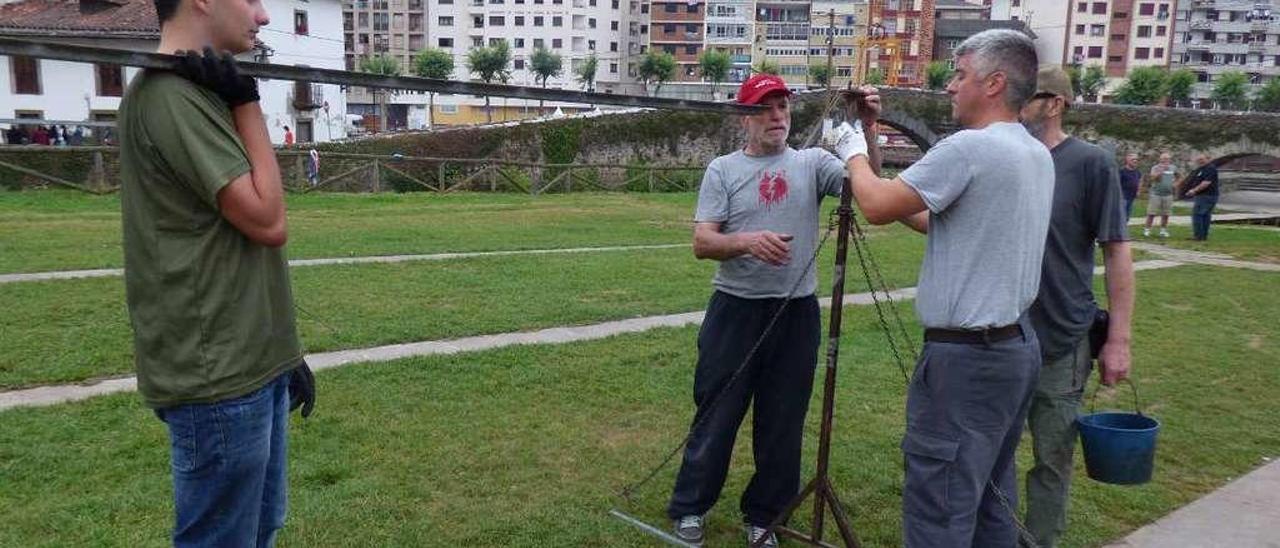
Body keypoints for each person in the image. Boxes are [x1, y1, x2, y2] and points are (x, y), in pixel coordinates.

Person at [827, 29, 1053, 547]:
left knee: (940, 507)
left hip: (967, 362)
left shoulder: (970, 148)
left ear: (994, 83)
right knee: (991, 501)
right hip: (1014, 350)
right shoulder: (1032, 151)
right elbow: (926, 215)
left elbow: (878, 206)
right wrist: (870, 132)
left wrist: (851, 150)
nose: (950, 85)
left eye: (959, 73)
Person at [117, 0, 315, 545]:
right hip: (219, 377)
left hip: (252, 362)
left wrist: (282, 354)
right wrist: (247, 101)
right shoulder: (172, 96)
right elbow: (268, 219)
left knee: (258, 531)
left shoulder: (198, 92)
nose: (264, 14)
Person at [666, 73, 858, 548]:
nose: (777, 117)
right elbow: (702, 241)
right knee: (716, 414)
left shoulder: (814, 163)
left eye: (783, 107)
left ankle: (765, 516)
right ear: (745, 117)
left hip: (795, 314)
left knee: (783, 420)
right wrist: (745, 242)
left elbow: (863, 185)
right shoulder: (723, 170)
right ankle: (690, 507)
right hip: (735, 310)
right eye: (765, 108)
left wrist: (866, 130)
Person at [1017, 65, 1136, 548]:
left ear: (1056, 103)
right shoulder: (1010, 156)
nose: (1019, 102)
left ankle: (1038, 541)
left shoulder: (1090, 163)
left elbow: (1116, 251)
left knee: (1051, 457)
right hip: (1002, 334)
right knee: (992, 454)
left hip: (1062, 337)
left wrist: (1119, 340)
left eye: (1030, 95)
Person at [1183, 154, 1220, 241]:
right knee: (1205, 215)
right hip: (1204, 196)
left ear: (1208, 159)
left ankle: (1198, 236)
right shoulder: (1201, 169)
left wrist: (1194, 191)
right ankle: (1203, 236)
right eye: (1198, 159)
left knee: (1197, 214)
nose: (1200, 161)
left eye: (1202, 159)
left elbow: (1206, 183)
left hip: (1206, 196)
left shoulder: (1210, 168)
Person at [1142, 152, 1176, 238]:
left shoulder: (1173, 168)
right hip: (1156, 194)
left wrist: (1176, 184)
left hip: (1168, 194)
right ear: (1160, 159)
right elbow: (1152, 178)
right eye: (1163, 159)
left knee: (1166, 214)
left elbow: (1179, 176)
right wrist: (1161, 171)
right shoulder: (1155, 167)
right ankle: (1147, 230)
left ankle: (1163, 231)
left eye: (1167, 159)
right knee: (1151, 213)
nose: (1165, 161)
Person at [1118, 153, 1141, 220]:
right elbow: (1117, 184)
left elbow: (1139, 181)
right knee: (1121, 216)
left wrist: (1138, 191)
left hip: (1132, 197)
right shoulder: (1122, 171)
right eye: (1133, 159)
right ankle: (1120, 230)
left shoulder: (1137, 172)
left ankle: (1124, 229)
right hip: (1123, 197)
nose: (1135, 161)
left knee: (1127, 217)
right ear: (1127, 160)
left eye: (1136, 159)